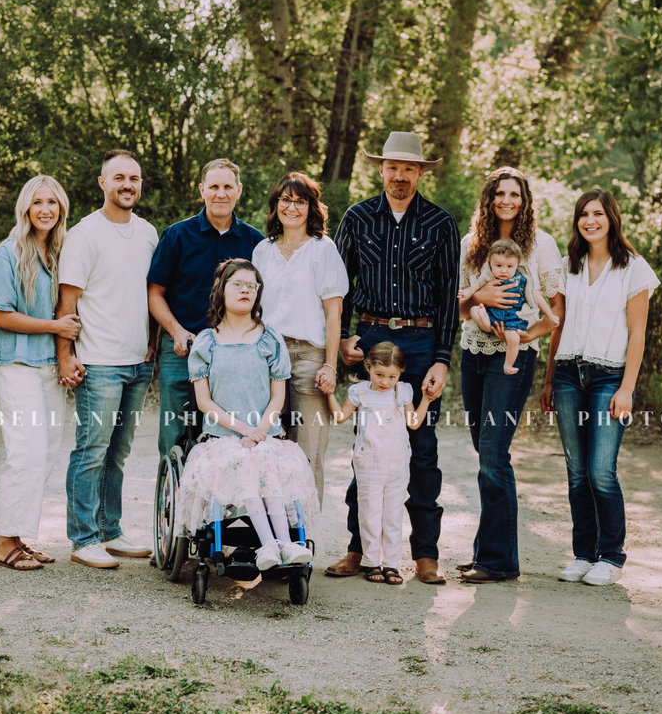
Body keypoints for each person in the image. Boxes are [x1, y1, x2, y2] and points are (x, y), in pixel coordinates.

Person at [327, 131, 459, 585]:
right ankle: (358, 550)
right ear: (380, 169)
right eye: (392, 167)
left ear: (421, 173)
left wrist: (442, 358)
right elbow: (338, 287)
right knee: (367, 446)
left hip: (422, 341)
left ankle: (425, 554)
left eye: (408, 168)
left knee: (419, 447)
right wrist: (344, 339)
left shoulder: (442, 224)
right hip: (372, 335)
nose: (399, 176)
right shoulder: (357, 217)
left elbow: (445, 300)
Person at [541, 189, 658, 587]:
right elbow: (557, 324)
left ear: (611, 217)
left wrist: (627, 388)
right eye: (583, 215)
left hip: (611, 377)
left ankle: (611, 555)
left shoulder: (633, 268)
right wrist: (548, 378)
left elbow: (639, 333)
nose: (590, 221)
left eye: (598, 214)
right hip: (569, 375)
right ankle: (583, 554)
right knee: (576, 471)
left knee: (600, 471)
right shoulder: (566, 265)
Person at [456, 167, 564, 583]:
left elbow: (556, 308)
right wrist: (478, 298)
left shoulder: (541, 246)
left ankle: (499, 562)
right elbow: (461, 308)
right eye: (499, 193)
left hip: (514, 360)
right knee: (484, 453)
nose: (506, 200)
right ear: (488, 199)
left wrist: (531, 336)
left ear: (525, 200)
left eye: (514, 194)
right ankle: (489, 552)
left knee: (495, 453)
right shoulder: (472, 245)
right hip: (474, 353)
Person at [175, 259, 319, 569]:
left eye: (251, 286)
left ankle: (286, 546)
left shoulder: (270, 339)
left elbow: (278, 395)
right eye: (237, 284)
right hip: (222, 437)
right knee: (244, 461)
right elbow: (204, 403)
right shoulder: (206, 341)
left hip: (265, 433)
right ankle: (269, 545)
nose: (245, 290)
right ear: (221, 290)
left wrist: (261, 431)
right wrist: (244, 430)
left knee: (265, 459)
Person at [58, 150, 159, 569]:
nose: (127, 185)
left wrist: (151, 344)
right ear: (102, 183)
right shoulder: (85, 234)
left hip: (138, 361)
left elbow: (154, 293)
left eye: (134, 178)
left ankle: (110, 530)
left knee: (118, 452)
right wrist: (65, 356)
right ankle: (83, 537)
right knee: (91, 450)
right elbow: (68, 302)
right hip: (99, 361)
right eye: (119, 177)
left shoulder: (149, 233)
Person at [0, 176, 79, 571]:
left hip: (47, 366)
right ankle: (5, 542)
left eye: (52, 203)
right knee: (24, 452)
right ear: (26, 207)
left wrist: (65, 354)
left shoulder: (59, 252)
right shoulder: (9, 252)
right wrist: (56, 329)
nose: (45, 209)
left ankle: (19, 537)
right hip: (16, 364)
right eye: (38, 202)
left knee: (46, 451)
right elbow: (1, 316)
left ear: (61, 209)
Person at [148, 159, 265, 457]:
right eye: (214, 187)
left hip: (234, 352)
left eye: (228, 186)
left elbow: (262, 298)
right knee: (174, 432)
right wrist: (176, 331)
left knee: (226, 432)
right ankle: (173, 498)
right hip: (182, 349)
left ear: (238, 191)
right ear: (202, 190)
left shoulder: (255, 242)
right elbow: (155, 293)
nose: (221, 193)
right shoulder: (176, 235)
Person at [251, 172, 347, 502]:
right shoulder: (262, 250)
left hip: (310, 357)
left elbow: (334, 314)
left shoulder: (323, 249)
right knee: (268, 449)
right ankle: (272, 536)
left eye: (300, 201)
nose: (292, 207)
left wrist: (330, 366)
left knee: (310, 454)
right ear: (276, 205)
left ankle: (306, 541)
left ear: (311, 208)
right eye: (286, 200)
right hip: (267, 358)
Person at [327, 342, 436, 584]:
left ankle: (392, 565)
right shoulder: (360, 392)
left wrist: (426, 399)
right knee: (369, 512)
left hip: (397, 461)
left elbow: (414, 422)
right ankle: (371, 561)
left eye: (391, 376)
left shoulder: (403, 391)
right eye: (379, 375)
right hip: (368, 462)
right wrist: (328, 393)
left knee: (393, 514)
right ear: (368, 367)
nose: (385, 382)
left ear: (400, 373)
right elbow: (339, 416)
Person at [462, 238, 559, 375]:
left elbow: (537, 297)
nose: (504, 271)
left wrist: (550, 315)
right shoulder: (488, 276)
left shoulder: (522, 280)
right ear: (490, 262)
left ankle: (508, 365)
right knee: (474, 310)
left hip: (509, 318)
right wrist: (466, 293)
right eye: (499, 265)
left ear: (517, 264)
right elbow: (474, 287)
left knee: (514, 339)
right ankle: (486, 326)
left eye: (509, 266)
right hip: (490, 315)